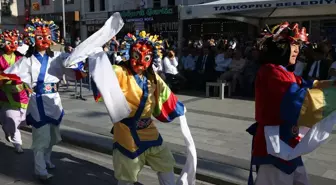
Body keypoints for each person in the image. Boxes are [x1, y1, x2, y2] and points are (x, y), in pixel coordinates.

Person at [78, 30, 197, 185]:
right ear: (129, 54)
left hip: (149, 129)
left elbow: (165, 94)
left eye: (146, 58)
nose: (141, 62)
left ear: (152, 58)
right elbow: (104, 75)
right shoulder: (120, 72)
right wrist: (95, 59)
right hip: (126, 131)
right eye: (136, 56)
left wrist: (179, 108)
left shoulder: (153, 77)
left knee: (165, 162)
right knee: (127, 173)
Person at [246, 22, 336, 185]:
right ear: (280, 47)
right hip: (275, 146)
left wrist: (332, 86)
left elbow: (307, 85)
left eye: (298, 46)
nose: (297, 50)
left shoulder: (283, 72)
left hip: (287, 144)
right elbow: (296, 100)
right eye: (293, 45)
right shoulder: (271, 71)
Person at [0, 18, 86, 181]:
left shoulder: (59, 56)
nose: (44, 40)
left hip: (54, 100)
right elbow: (10, 72)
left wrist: (79, 64)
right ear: (33, 39)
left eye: (47, 36)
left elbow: (72, 67)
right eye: (40, 37)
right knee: (41, 136)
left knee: (53, 136)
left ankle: (47, 158)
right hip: (37, 100)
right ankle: (40, 169)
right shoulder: (27, 60)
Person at [0, 29, 29, 153]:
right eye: (8, 42)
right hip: (5, 94)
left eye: (15, 41)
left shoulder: (20, 57)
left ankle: (9, 132)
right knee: (10, 118)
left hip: (22, 94)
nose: (12, 44)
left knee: (23, 119)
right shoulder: (0, 58)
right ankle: (17, 143)